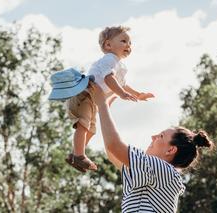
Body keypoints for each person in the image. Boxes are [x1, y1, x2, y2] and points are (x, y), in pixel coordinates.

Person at [89, 81, 214, 212]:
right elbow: (113, 151)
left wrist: (102, 104)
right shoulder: (156, 174)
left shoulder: (164, 170)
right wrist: (105, 108)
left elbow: (114, 146)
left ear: (171, 150)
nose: (153, 137)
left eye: (161, 136)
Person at [65, 26, 155, 172]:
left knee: (91, 130)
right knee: (83, 125)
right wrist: (120, 93)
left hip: (93, 99)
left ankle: (75, 154)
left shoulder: (119, 65)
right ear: (108, 45)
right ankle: (79, 155)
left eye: (130, 43)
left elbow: (123, 84)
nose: (128, 45)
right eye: (124, 41)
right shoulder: (109, 59)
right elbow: (109, 79)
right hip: (85, 93)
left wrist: (138, 94)